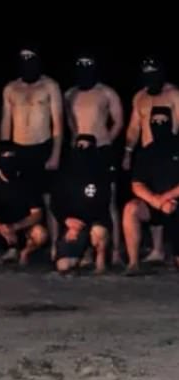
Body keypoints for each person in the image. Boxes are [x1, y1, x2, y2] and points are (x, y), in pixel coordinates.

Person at [0, 48, 63, 256]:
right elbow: (6, 121)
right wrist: (4, 152)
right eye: (24, 60)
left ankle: (54, 245)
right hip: (18, 148)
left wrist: (55, 153)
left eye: (31, 60)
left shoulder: (50, 85)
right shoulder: (11, 88)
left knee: (49, 198)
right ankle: (17, 245)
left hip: (42, 146)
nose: (28, 64)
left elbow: (58, 123)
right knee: (18, 197)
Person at [64, 54, 123, 264]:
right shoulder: (70, 93)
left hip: (102, 150)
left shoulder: (106, 92)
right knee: (81, 200)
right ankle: (87, 248)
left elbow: (118, 121)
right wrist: (76, 141)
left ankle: (115, 250)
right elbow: (70, 122)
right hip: (79, 151)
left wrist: (105, 142)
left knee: (109, 201)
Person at [122, 58, 179, 262]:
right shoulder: (140, 97)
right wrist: (128, 152)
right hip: (148, 154)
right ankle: (156, 250)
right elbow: (134, 127)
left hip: (172, 155)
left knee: (169, 199)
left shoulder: (173, 94)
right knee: (151, 197)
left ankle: (172, 249)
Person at [0, 142, 48, 265]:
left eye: (12, 157)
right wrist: (0, 228)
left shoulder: (27, 181)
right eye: (5, 157)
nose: (9, 162)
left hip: (22, 229)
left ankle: (25, 252)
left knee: (41, 234)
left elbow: (37, 214)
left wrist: (15, 227)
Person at [52, 135, 112, 274]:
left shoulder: (101, 175)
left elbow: (102, 205)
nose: (83, 151)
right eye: (80, 147)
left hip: (92, 223)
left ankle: (99, 259)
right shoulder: (65, 174)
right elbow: (56, 204)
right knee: (63, 266)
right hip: (73, 225)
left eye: (87, 147)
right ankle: (81, 256)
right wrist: (66, 220)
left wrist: (82, 225)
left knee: (99, 231)